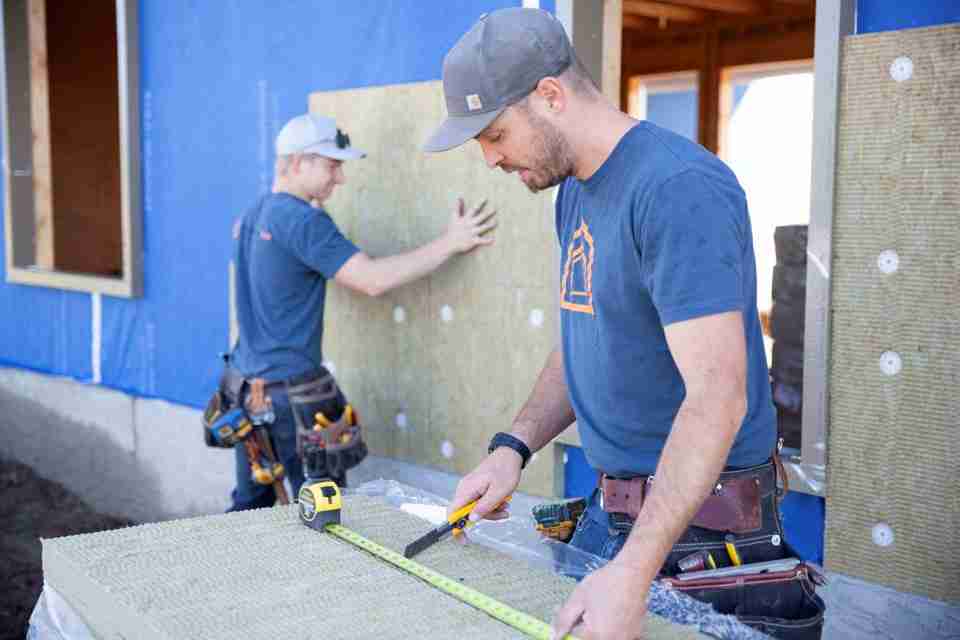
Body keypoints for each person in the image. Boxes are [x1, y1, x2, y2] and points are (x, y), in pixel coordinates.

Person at [425, 9, 821, 640]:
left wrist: (634, 572)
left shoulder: (677, 188)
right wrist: (513, 448)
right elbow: (586, 335)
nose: (490, 159)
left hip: (699, 534)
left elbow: (718, 398)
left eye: (494, 134)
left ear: (550, 95)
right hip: (620, 521)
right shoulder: (574, 192)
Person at [224, 113, 496, 511]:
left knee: (249, 512)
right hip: (289, 403)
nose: (340, 178)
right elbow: (372, 280)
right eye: (333, 165)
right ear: (300, 162)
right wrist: (450, 243)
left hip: (248, 395)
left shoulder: (252, 214)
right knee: (321, 520)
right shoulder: (304, 221)